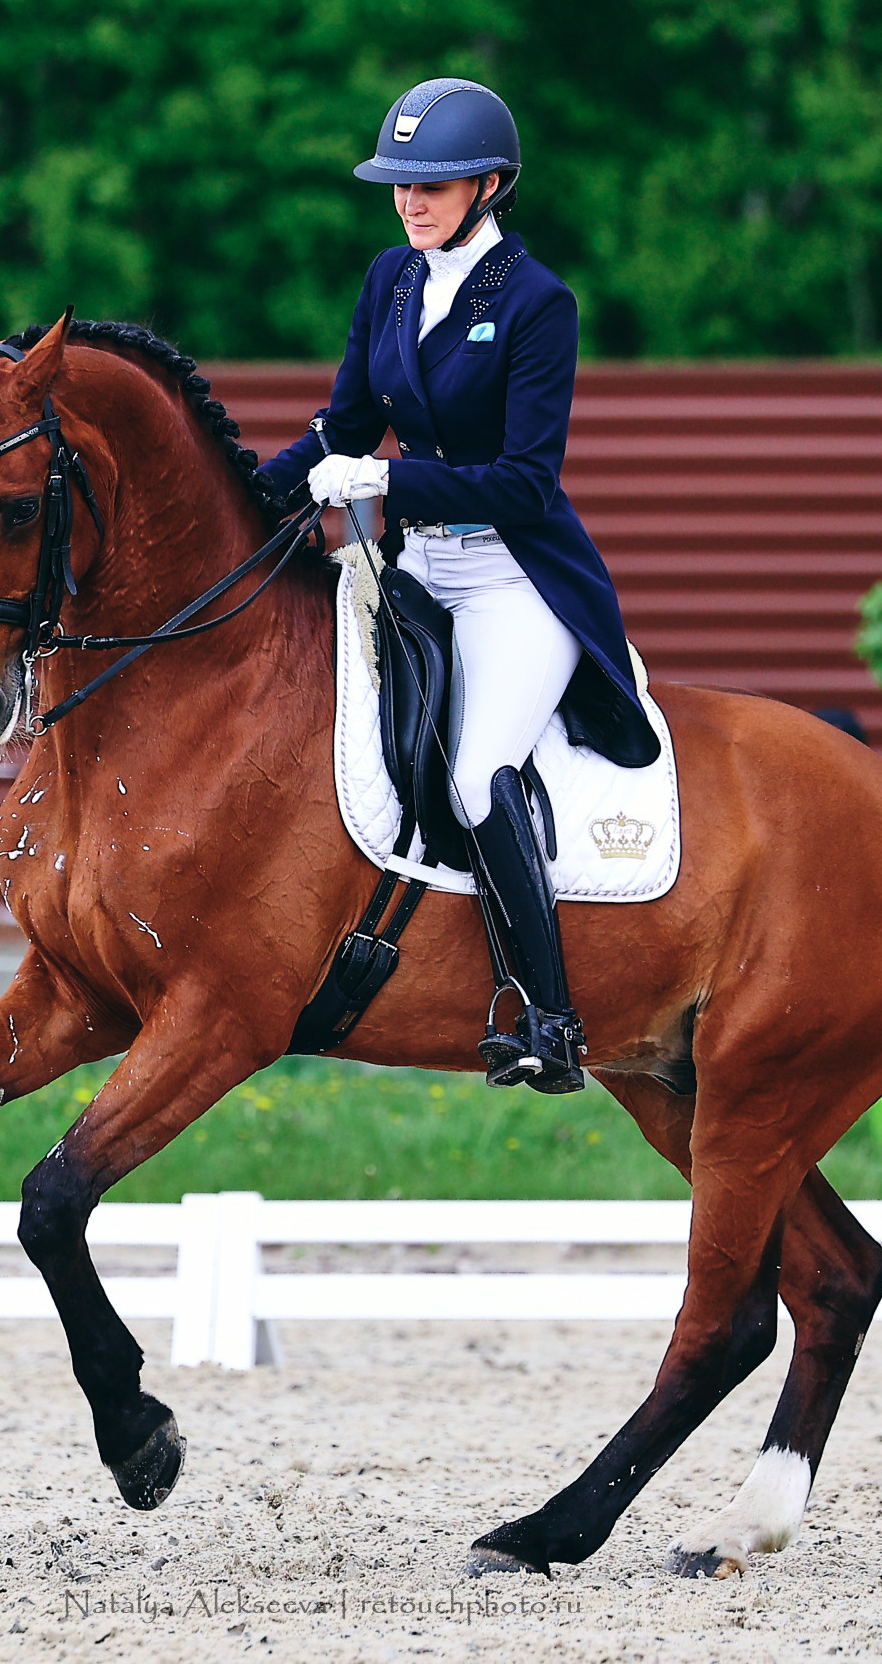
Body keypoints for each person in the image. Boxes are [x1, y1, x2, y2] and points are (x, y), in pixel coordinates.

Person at [256, 77, 660, 1094]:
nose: (409, 202)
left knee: (478, 771)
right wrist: (241, 503)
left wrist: (389, 478)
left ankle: (553, 1021)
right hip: (414, 568)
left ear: (487, 184)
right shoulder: (390, 279)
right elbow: (341, 428)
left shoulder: (534, 302)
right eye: (398, 185)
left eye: (430, 185)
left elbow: (527, 482)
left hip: (516, 577)